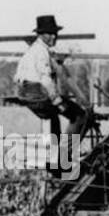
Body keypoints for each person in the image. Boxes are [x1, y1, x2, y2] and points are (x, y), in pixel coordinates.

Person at [13, 15, 90, 171]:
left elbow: (19, 76)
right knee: (80, 115)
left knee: (52, 116)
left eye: (55, 33)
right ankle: (63, 157)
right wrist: (58, 101)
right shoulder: (41, 52)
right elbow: (45, 79)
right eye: (49, 33)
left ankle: (55, 156)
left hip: (24, 92)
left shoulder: (34, 51)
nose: (54, 36)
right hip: (37, 91)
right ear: (41, 35)